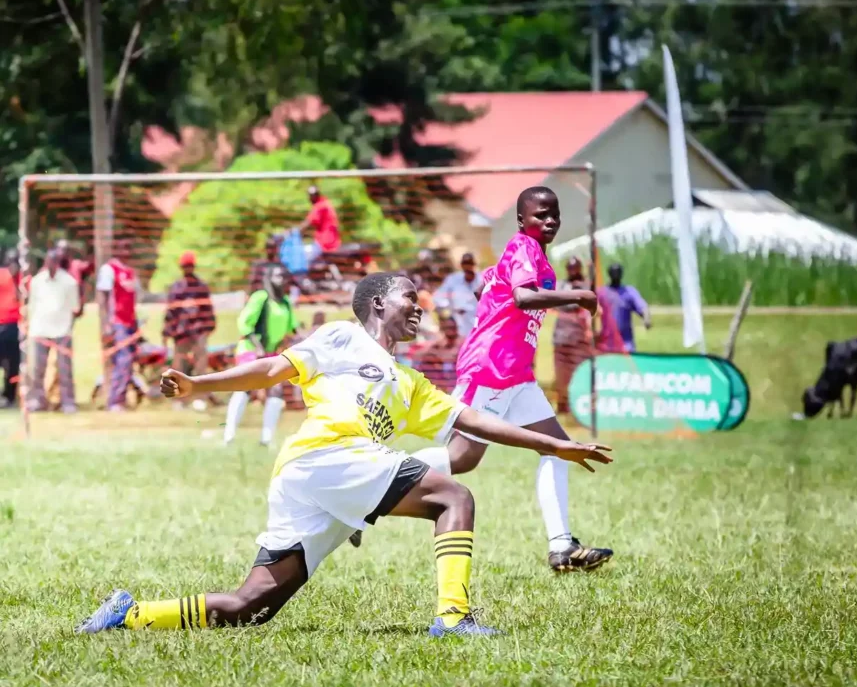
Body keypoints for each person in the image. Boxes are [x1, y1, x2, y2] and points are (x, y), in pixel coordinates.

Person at [74, 272, 612, 638]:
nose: (418, 305)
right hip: (323, 459)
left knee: (251, 608)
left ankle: (130, 616)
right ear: (378, 303)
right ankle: (453, 618)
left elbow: (473, 422)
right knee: (454, 497)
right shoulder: (340, 339)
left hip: (329, 482)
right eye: (409, 296)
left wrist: (553, 443)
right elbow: (270, 369)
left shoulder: (409, 382)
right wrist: (199, 384)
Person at [410, 186, 614, 573]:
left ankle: (562, 547)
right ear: (522, 220)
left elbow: (484, 285)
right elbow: (522, 297)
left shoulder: (526, 254)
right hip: (491, 370)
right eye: (540, 215)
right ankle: (373, 481)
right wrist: (580, 295)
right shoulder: (523, 247)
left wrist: (492, 298)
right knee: (461, 460)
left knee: (559, 448)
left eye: (554, 214)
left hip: (516, 376)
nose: (549, 220)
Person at [224, 263, 298, 446]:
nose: (281, 280)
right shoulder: (260, 298)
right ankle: (229, 436)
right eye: (277, 276)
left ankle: (266, 440)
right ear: (268, 278)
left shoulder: (286, 303)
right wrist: (258, 348)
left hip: (271, 354)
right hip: (251, 349)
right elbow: (244, 324)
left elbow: (290, 330)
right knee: (245, 387)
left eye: (284, 276)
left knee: (276, 392)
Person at [27, 248, 80, 413]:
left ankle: (68, 402)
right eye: (48, 261)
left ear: (58, 263)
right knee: (38, 368)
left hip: (62, 330)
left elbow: (75, 307)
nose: (50, 265)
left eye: (53, 261)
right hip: (40, 329)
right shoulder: (37, 281)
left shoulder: (69, 282)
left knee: (65, 369)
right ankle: (37, 400)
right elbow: (33, 305)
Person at [162, 251, 216, 408]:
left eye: (190, 266)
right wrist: (167, 331)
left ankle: (200, 397)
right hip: (181, 333)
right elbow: (170, 312)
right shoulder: (176, 288)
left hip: (198, 332)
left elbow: (209, 310)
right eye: (185, 266)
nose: (188, 269)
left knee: (201, 365)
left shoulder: (201, 286)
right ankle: (179, 399)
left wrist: (208, 329)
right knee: (179, 365)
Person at [96, 241, 142, 412]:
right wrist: (106, 323)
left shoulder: (130, 272)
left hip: (130, 322)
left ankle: (121, 397)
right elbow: (103, 297)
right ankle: (114, 400)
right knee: (123, 360)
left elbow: (134, 298)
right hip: (117, 322)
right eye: (122, 248)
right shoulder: (109, 270)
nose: (126, 251)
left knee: (129, 360)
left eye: (128, 247)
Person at [552, 257, 595, 415]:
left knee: (580, 375)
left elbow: (588, 297)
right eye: (570, 269)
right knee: (561, 376)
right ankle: (563, 408)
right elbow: (561, 303)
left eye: (575, 268)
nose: (573, 272)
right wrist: (573, 295)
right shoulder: (562, 285)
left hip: (579, 341)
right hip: (561, 339)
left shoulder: (585, 285)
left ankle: (580, 408)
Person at [597, 263, 651, 354]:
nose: (616, 275)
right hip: (606, 345)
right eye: (613, 273)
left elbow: (642, 306)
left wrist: (646, 318)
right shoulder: (601, 293)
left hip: (626, 344)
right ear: (609, 274)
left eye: (618, 273)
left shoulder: (629, 291)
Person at [412, 312, 463, 394]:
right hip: (440, 386)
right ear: (442, 328)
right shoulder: (437, 345)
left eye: (452, 328)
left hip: (457, 386)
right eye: (447, 328)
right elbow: (418, 354)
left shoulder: (462, 343)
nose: (450, 331)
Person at [434, 253, 483, 337]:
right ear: (461, 265)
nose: (467, 266)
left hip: (479, 320)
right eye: (465, 264)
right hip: (458, 320)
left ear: (474, 265)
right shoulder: (453, 279)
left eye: (470, 263)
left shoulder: (482, 279)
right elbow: (438, 297)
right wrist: (450, 308)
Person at [297, 185, 341, 263]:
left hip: (325, 242)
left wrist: (294, 231)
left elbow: (308, 222)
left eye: (312, 195)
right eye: (310, 195)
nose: (310, 198)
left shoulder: (320, 206)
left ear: (317, 195)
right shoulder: (325, 202)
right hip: (330, 240)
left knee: (303, 259)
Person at [0, 250, 20, 409]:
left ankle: (10, 395)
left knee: (12, 364)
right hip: (2, 324)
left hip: (14, 325)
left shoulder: (22, 278)